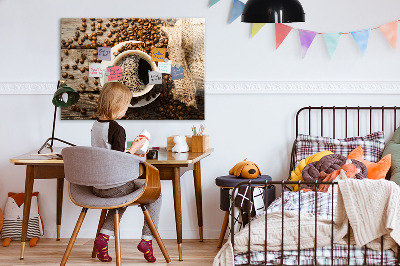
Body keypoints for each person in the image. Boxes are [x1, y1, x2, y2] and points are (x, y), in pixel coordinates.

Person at [91, 82, 161, 263]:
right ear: (116, 105)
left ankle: (103, 238)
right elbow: (119, 161)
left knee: (121, 197)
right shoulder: (117, 129)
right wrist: (136, 148)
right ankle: (147, 240)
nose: (127, 109)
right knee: (156, 194)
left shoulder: (96, 125)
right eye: (126, 105)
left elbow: (108, 154)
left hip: (97, 186)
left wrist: (130, 150)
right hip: (114, 186)